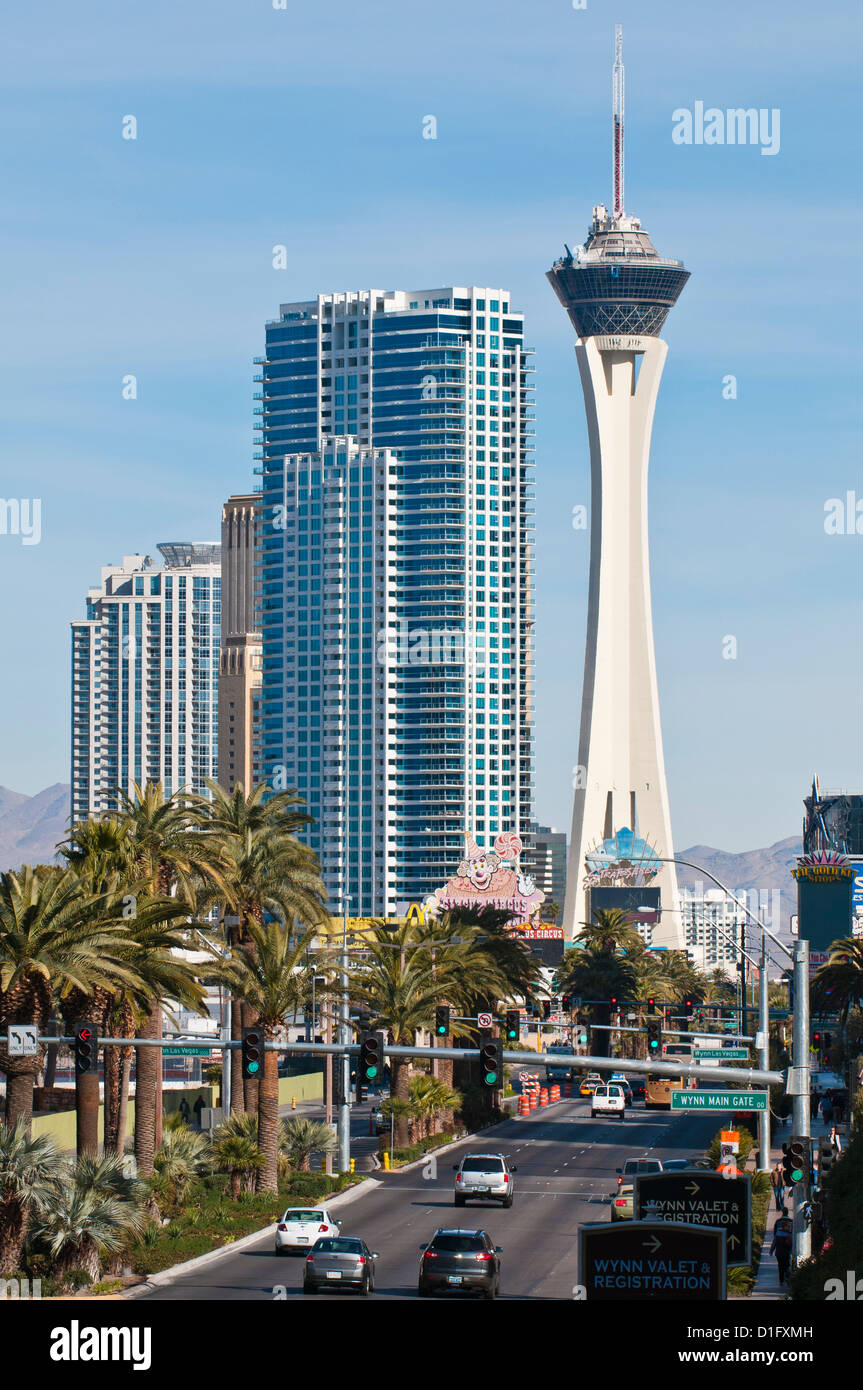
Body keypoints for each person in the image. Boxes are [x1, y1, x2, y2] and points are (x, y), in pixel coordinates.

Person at [771, 1207, 793, 1285]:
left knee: (780, 1265)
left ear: (782, 1212)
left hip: (779, 1251)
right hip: (787, 1251)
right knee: (787, 1264)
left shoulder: (777, 1222)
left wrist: (771, 1250)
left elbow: (774, 1237)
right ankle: (787, 1277)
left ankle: (781, 1279)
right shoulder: (791, 1221)